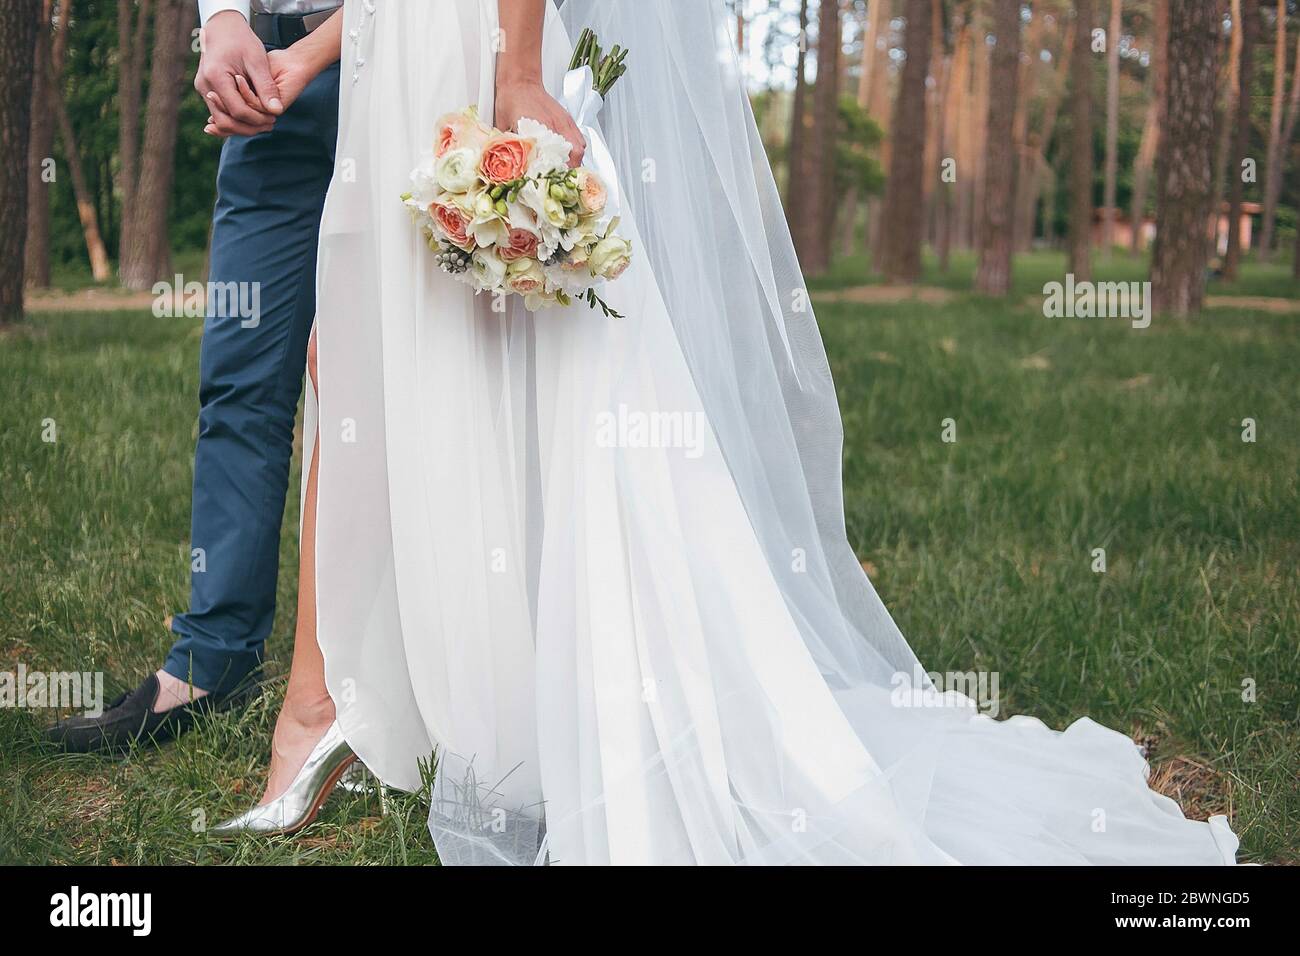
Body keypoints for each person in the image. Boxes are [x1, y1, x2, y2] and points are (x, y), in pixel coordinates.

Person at [207, 0, 1238, 865]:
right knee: (364, 354)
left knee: (494, 364)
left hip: (483, 49)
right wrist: (307, 52)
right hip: (408, 45)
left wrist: (517, 70)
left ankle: (530, 710)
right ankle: (351, 698)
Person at [47, 1, 343, 761]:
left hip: (408, 76)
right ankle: (212, 658)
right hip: (269, 82)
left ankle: (394, 662)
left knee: (383, 383)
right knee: (242, 373)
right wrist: (224, 21)